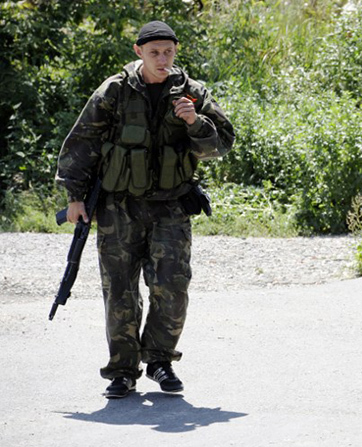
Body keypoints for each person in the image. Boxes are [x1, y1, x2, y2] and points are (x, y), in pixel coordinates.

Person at [56, 20, 235, 399]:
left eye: (168, 51)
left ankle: (159, 360)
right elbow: (83, 140)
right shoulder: (115, 91)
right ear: (139, 52)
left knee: (172, 285)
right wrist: (74, 196)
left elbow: (221, 146)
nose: (162, 59)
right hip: (119, 207)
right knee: (119, 290)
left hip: (171, 206)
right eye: (154, 52)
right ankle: (122, 371)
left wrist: (194, 121)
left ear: (175, 50)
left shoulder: (192, 93)